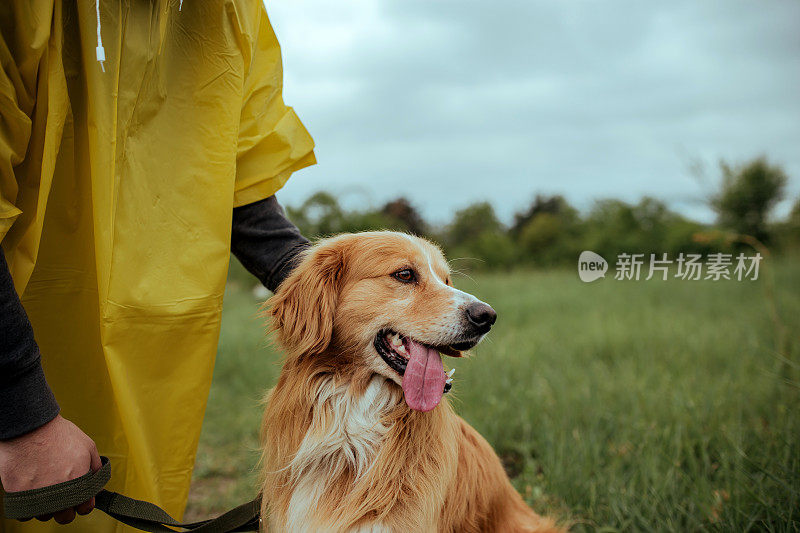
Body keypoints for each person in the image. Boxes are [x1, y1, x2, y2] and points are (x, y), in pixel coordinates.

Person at [0, 1, 314, 531]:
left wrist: (345, 292)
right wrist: (22, 415)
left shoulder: (230, 11)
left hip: (150, 377)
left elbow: (239, 176)